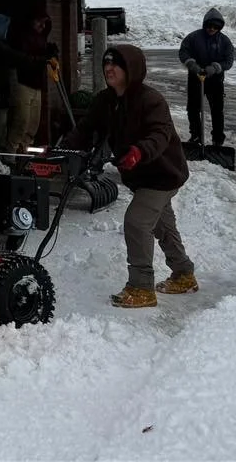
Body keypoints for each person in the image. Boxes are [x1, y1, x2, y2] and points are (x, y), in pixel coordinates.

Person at [65, 44, 197, 308]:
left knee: (137, 222)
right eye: (106, 63)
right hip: (139, 175)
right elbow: (85, 129)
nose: (109, 68)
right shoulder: (105, 101)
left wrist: (139, 151)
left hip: (162, 174)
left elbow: (160, 135)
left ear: (131, 69)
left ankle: (141, 287)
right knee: (162, 224)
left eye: (116, 64)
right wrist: (62, 150)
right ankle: (183, 273)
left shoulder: (151, 100)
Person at [0, 12, 52, 150]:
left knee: (13, 123)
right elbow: (19, 58)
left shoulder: (3, 43)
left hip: (3, 90)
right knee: (3, 125)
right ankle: (4, 156)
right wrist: (41, 59)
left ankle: (9, 154)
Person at [177, 8, 236, 149]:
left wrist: (215, 68)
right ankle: (196, 135)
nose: (212, 29)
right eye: (209, 26)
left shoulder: (224, 41)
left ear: (219, 27)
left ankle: (217, 139)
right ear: (205, 25)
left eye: (215, 27)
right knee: (193, 108)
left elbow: (229, 60)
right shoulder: (193, 38)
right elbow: (183, 52)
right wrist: (192, 64)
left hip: (215, 80)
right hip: (195, 77)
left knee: (216, 110)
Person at [6, 9, 58, 152]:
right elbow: (25, 58)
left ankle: (25, 152)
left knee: (33, 124)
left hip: (36, 83)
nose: (42, 26)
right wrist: (44, 58)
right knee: (21, 121)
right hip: (22, 81)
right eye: (39, 22)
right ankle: (11, 155)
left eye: (44, 23)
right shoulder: (20, 38)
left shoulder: (41, 38)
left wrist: (49, 52)